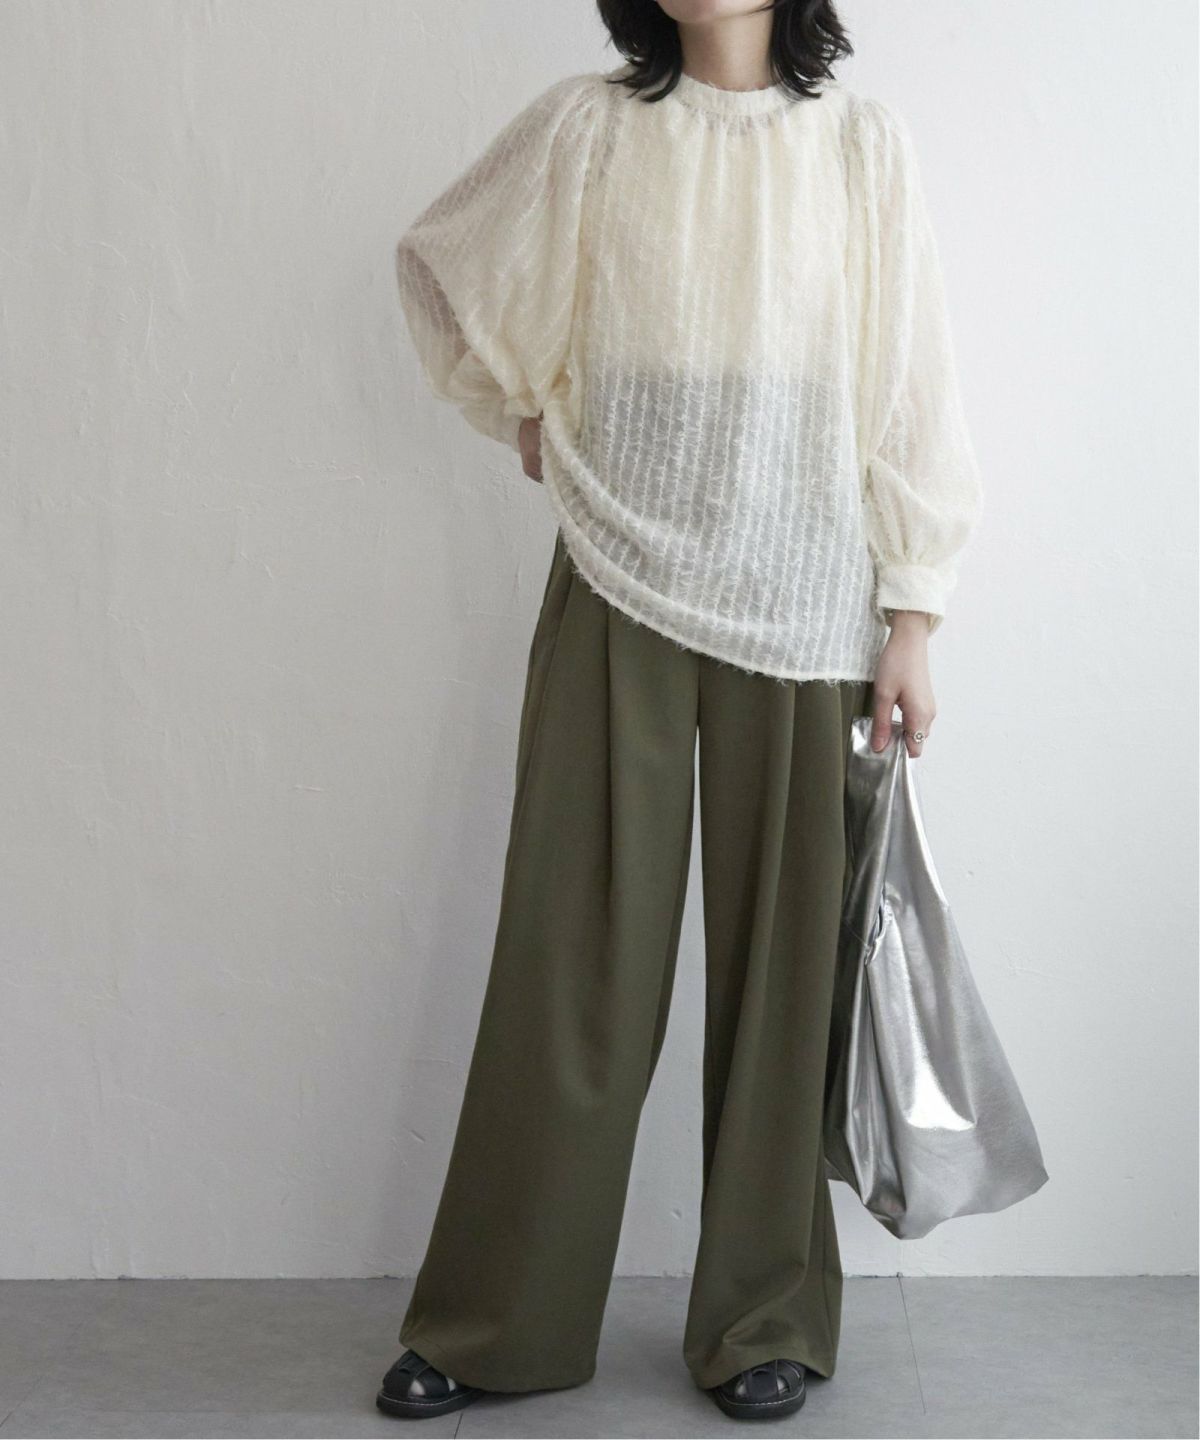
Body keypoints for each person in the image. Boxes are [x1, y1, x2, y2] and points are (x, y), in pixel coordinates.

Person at [378, 0, 982, 1422]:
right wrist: (523, 406)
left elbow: (908, 384)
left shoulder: (860, 147)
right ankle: (493, 1322)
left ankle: (766, 1316)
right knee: (570, 959)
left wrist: (912, 617)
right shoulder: (589, 131)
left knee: (784, 984)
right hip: (619, 577)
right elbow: (444, 262)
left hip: (806, 599)